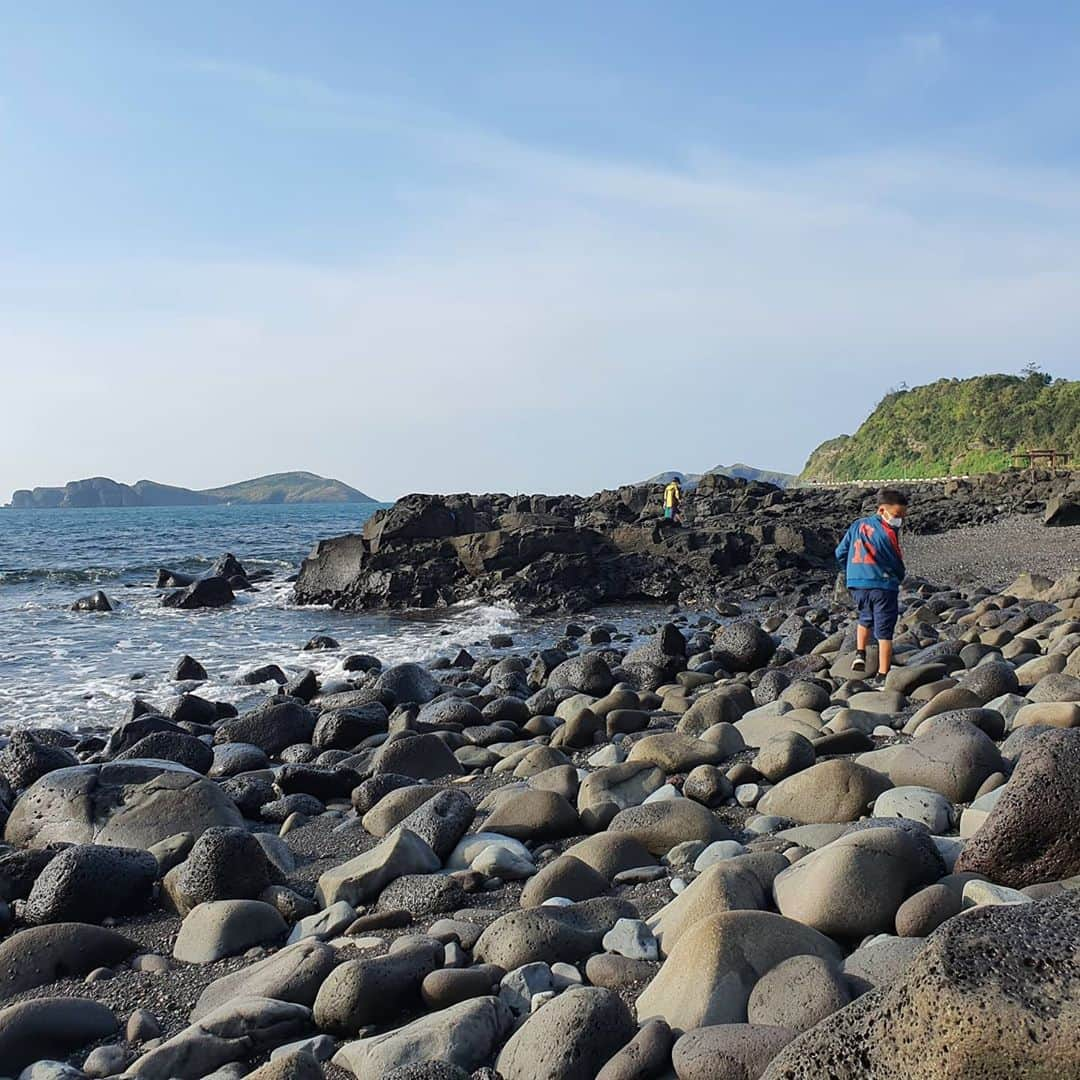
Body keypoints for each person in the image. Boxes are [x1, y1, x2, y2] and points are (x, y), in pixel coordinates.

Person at [835, 487, 909, 681]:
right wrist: (899, 577)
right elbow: (895, 563)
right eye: (897, 515)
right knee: (884, 630)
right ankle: (882, 675)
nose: (899, 520)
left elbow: (840, 552)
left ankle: (860, 653)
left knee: (865, 617)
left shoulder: (857, 525)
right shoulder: (887, 533)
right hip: (882, 586)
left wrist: (851, 570)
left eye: (902, 516)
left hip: (857, 584)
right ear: (881, 510)